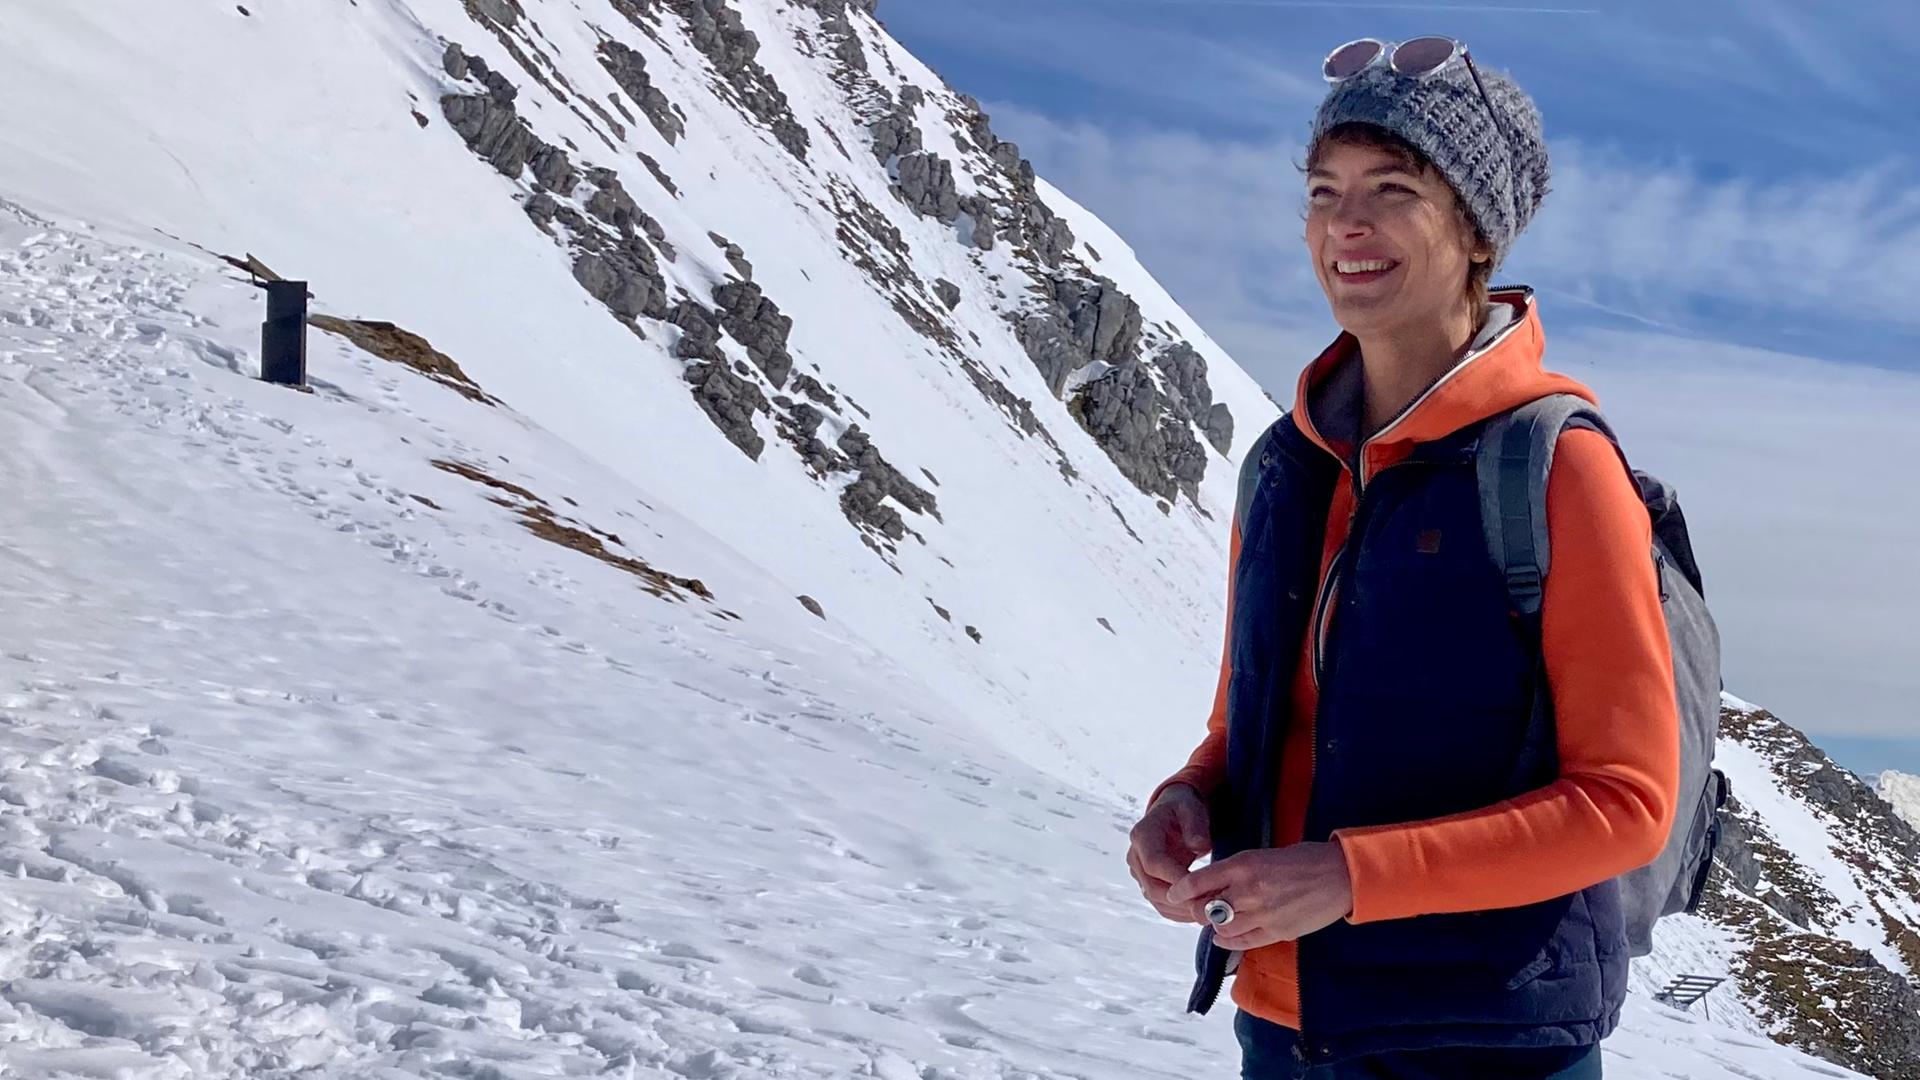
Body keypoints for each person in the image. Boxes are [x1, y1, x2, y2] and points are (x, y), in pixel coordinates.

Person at [1125, 37, 1680, 1080]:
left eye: (1393, 190)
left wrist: (1350, 877)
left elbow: (1625, 804)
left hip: (1485, 1045)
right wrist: (1188, 799)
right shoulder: (1287, 466)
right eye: (1323, 192)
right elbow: (1248, 725)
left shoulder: (1554, 467)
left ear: (1476, 232)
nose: (1346, 224)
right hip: (1282, 1024)